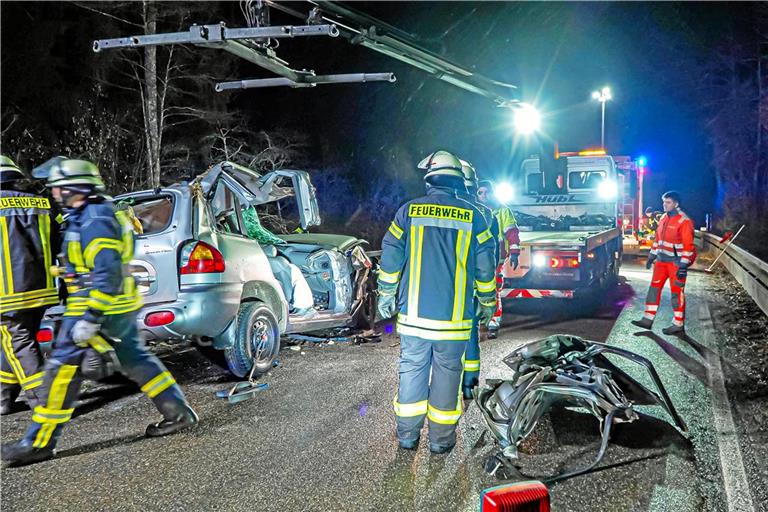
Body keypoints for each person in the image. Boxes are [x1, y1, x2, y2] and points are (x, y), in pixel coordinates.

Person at [2, 159, 198, 467]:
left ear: (75, 188)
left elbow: (106, 272)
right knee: (137, 361)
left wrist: (90, 318)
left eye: (58, 187)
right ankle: (179, 413)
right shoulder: (89, 214)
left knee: (60, 373)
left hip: (95, 308)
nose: (53, 193)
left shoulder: (95, 219)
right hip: (113, 308)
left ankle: (39, 443)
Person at [377, 150, 496, 454]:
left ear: (429, 179)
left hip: (414, 318)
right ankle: (441, 442)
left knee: (412, 371)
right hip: (454, 320)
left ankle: (407, 437)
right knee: (447, 375)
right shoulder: (476, 216)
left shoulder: (408, 212)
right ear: (458, 181)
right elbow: (485, 265)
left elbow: (391, 254)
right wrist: (486, 300)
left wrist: (387, 294)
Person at [0, 156, 60, 415]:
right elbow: (59, 240)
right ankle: (2, 398)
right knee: (16, 339)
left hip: (7, 292)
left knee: (17, 341)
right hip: (41, 288)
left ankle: (45, 400)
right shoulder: (42, 203)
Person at [457, 160, 499, 399]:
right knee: (470, 334)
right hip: (472, 286)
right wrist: (488, 299)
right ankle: (469, 385)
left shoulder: (447, 209)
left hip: (444, 287)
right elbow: (489, 256)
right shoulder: (484, 214)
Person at [632, 191, 695, 335]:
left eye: (668, 202)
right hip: (661, 261)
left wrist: (684, 266)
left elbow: (688, 246)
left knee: (676, 292)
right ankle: (647, 319)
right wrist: (651, 256)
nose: (664, 205)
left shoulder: (684, 221)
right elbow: (658, 240)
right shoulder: (663, 218)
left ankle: (678, 324)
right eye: (664, 202)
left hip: (676, 264)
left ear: (676, 204)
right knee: (654, 289)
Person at [476, 180, 520, 339]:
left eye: (486, 192)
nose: (483, 195)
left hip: (496, 256)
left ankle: (493, 322)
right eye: (480, 192)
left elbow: (511, 231)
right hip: (477, 257)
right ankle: (479, 319)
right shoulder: (474, 210)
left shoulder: (502, 210)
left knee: (494, 289)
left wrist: (515, 251)